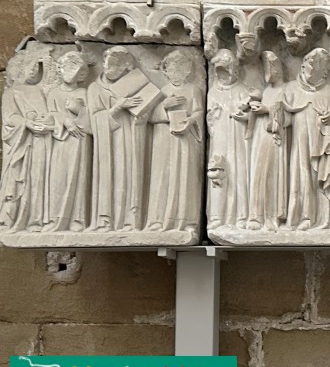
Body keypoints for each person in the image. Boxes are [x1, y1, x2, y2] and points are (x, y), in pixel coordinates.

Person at [88, 46, 152, 231]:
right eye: (108, 64)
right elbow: (93, 122)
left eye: (117, 66)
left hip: (130, 138)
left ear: (126, 67)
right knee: (108, 178)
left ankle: (130, 221)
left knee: (130, 176)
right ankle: (105, 221)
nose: (110, 69)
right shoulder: (94, 88)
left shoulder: (135, 86)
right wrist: (117, 107)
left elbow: (144, 114)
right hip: (107, 144)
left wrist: (140, 117)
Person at [146, 50, 204, 232]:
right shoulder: (163, 92)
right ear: (166, 72)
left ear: (187, 71)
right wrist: (164, 106)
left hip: (186, 137)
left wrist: (191, 120)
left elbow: (199, 111)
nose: (176, 73)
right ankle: (158, 219)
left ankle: (187, 220)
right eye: (172, 70)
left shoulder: (193, 90)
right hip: (164, 138)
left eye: (180, 69)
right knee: (162, 176)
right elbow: (150, 116)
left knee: (186, 175)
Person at [283, 48, 330, 230]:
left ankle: (322, 217)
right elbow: (285, 119)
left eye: (320, 67)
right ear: (303, 65)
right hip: (299, 141)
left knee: (318, 176)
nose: (313, 69)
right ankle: (302, 215)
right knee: (300, 174)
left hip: (320, 142)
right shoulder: (291, 88)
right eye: (310, 64)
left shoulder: (327, 90)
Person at [1, 55, 51, 231]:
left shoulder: (39, 91)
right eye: (30, 66)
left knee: (38, 180)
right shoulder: (11, 92)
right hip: (21, 143)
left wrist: (46, 122)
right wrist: (26, 122)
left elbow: (48, 113)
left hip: (40, 142)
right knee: (16, 180)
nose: (34, 71)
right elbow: (9, 117)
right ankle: (10, 218)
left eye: (37, 68)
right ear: (19, 69)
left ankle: (35, 220)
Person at [46, 52, 92, 232]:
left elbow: (92, 118)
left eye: (75, 69)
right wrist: (65, 120)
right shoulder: (53, 93)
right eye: (67, 67)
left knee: (78, 177)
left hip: (80, 140)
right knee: (57, 178)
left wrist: (79, 110)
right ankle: (55, 218)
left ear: (82, 73)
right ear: (60, 69)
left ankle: (77, 218)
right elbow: (49, 114)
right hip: (60, 141)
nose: (70, 73)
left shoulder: (84, 92)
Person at [206, 49, 252, 229]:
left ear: (235, 70)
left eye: (227, 70)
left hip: (239, 140)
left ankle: (241, 215)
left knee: (240, 174)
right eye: (220, 71)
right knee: (218, 174)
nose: (224, 75)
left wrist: (245, 116)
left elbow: (253, 116)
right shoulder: (213, 92)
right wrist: (214, 115)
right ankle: (217, 216)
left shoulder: (243, 90)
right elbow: (210, 118)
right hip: (220, 138)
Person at [248, 51, 290, 231]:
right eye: (265, 68)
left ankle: (272, 217)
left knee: (272, 174)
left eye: (269, 68)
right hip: (261, 137)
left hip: (276, 139)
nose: (268, 72)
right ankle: (257, 216)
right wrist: (254, 108)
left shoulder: (286, 89)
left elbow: (289, 116)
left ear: (277, 70)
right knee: (259, 173)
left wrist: (268, 110)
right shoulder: (266, 91)